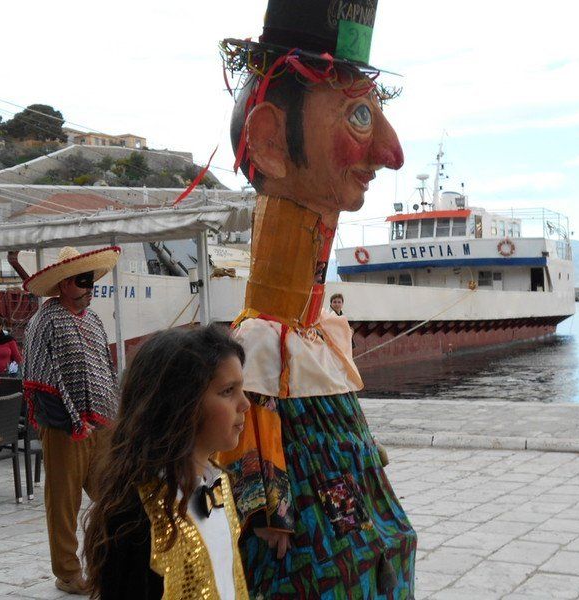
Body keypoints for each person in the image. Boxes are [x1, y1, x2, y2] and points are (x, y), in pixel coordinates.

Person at [217, 2, 417, 597]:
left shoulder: (310, 339)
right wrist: (268, 511)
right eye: (359, 115)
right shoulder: (260, 350)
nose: (391, 151)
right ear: (272, 141)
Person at [83, 326, 251, 600]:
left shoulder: (219, 487)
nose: (244, 403)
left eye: (241, 388)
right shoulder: (137, 517)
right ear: (181, 404)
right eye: (228, 391)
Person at [22, 246, 121, 595]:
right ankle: (67, 572)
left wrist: (115, 416)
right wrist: (70, 419)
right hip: (66, 427)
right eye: (82, 281)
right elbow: (37, 374)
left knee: (114, 496)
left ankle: (110, 560)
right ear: (64, 284)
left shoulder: (94, 321)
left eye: (91, 281)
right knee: (64, 503)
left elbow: (105, 372)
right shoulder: (45, 320)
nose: (89, 287)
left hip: (102, 426)